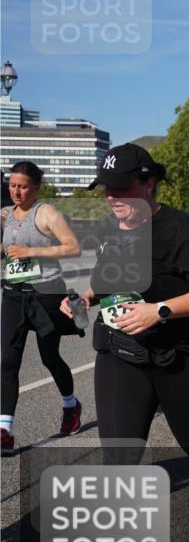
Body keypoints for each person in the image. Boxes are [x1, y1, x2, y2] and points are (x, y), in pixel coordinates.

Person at [56, 144, 189, 542]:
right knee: (119, 457)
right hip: (123, 355)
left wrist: (159, 311)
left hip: (187, 354)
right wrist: (83, 300)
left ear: (148, 183)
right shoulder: (112, 228)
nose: (112, 197)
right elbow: (106, 282)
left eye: (121, 188)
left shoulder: (182, 229)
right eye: (106, 190)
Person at [1, 161, 83, 453]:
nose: (16, 191)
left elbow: (72, 246)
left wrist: (31, 250)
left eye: (22, 186)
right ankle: (5, 431)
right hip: (13, 294)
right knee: (8, 362)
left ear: (35, 187)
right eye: (12, 185)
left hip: (46, 294)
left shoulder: (46, 212)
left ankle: (71, 406)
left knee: (50, 357)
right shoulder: (5, 215)